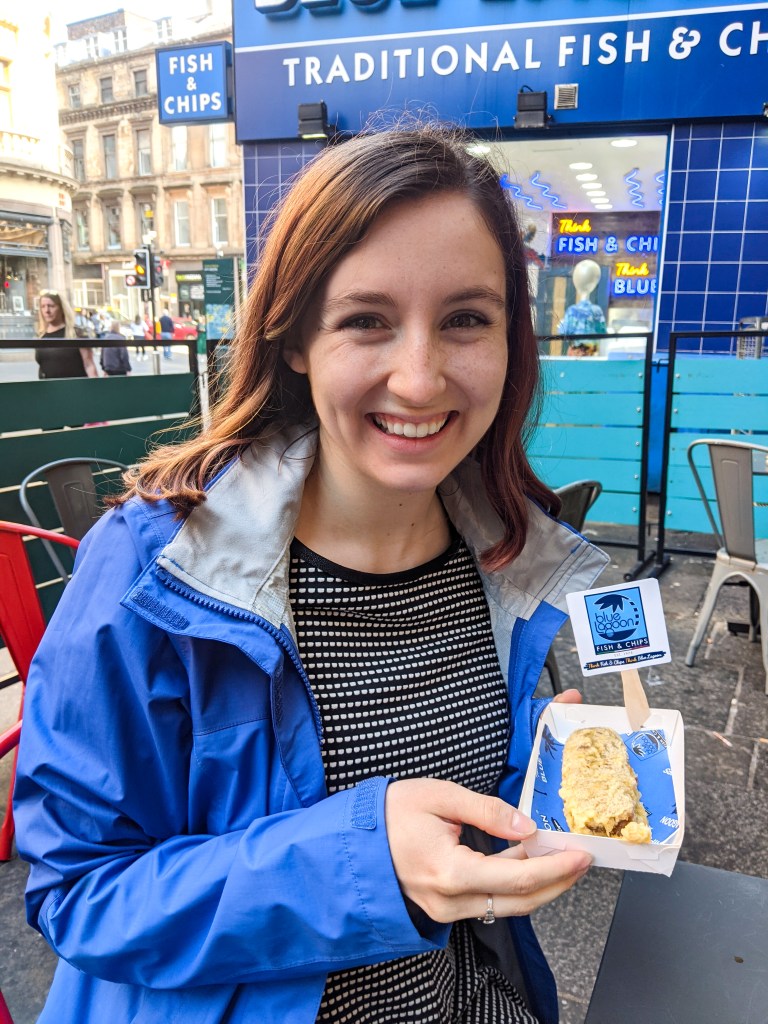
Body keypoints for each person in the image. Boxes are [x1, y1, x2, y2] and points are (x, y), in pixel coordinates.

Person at [14, 123, 608, 1024]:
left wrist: (541, 780)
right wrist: (361, 865)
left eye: (465, 319)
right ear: (295, 338)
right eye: (367, 320)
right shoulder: (149, 566)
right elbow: (79, 892)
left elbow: (451, 817)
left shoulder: (507, 552)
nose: (420, 379)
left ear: (510, 341)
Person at [35, 290, 99, 379]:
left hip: (75, 385)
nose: (47, 310)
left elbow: (89, 365)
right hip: (48, 386)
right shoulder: (41, 336)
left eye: (51, 306)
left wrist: (95, 385)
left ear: (61, 308)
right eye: (43, 306)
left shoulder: (76, 333)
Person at [557, 259, 606, 356]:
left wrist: (561, 325)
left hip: (576, 351)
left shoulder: (572, 310)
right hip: (592, 352)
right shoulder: (597, 310)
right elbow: (602, 331)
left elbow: (565, 331)